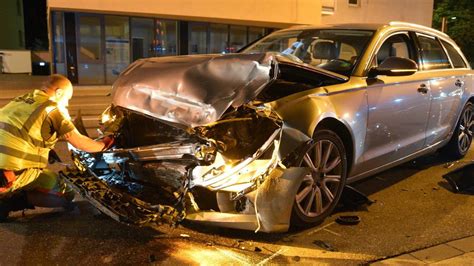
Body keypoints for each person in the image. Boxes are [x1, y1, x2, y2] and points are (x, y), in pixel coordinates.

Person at [0, 74, 113, 221]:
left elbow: (18, 131)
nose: (66, 104)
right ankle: (9, 201)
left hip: (4, 170)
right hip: (9, 175)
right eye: (67, 99)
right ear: (59, 93)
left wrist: (46, 148)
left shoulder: (20, 100)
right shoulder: (52, 109)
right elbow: (79, 142)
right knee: (66, 190)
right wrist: (105, 144)